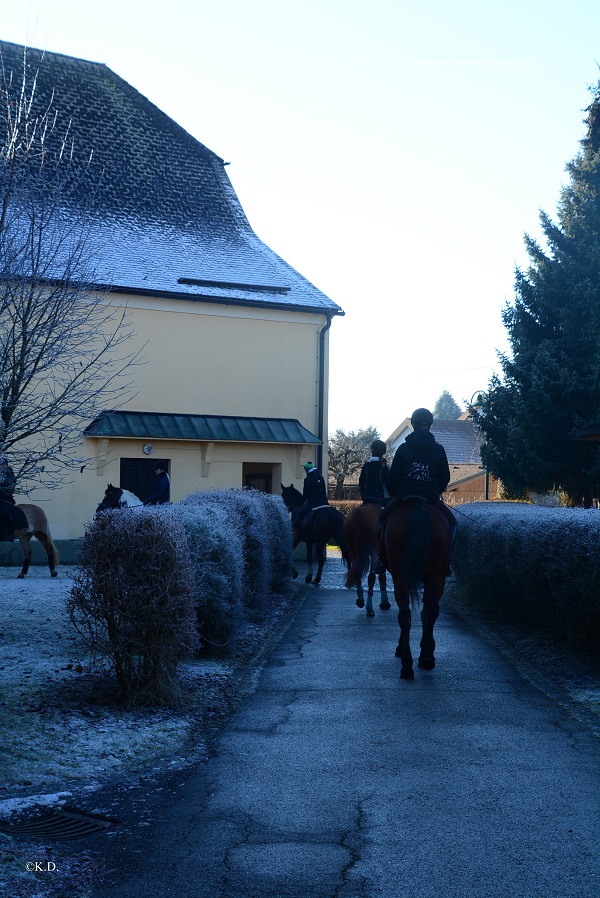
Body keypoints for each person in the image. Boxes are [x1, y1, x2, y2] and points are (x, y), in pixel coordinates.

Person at [388, 407, 457, 546]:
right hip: (430, 497)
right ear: (429, 425)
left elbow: (393, 477)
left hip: (404, 496)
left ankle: (381, 561)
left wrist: (398, 493)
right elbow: (445, 477)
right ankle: (447, 561)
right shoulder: (438, 449)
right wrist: (433, 493)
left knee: (381, 521)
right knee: (453, 523)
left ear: (413, 424)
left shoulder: (402, 449)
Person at [292, 461, 329, 531]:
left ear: (306, 470)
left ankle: (296, 532)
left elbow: (306, 495)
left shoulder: (307, 479)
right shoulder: (321, 477)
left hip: (313, 503)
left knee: (298, 514)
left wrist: (300, 503)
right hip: (324, 502)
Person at [358, 439, 391, 507]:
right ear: (384, 452)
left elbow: (361, 484)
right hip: (382, 498)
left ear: (371, 451)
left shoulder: (366, 466)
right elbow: (389, 484)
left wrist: (364, 498)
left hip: (367, 497)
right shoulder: (385, 466)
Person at [0, 457, 17, 542]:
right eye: (0, 464)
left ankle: (10, 534)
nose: (1, 466)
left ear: (6, 464)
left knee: (5, 513)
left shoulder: (9, 473)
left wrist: (2, 491)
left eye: (3, 464)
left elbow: (11, 486)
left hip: (7, 499)